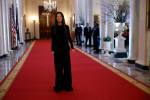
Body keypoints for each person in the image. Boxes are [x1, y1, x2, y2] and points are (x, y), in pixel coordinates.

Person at [51, 12, 75, 93]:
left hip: (65, 50)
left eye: (60, 16)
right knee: (58, 69)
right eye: (57, 16)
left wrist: (72, 47)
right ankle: (59, 86)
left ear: (62, 17)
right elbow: (53, 40)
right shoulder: (53, 27)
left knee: (67, 68)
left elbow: (69, 37)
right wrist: (52, 49)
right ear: (56, 18)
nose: (59, 18)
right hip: (57, 51)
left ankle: (67, 85)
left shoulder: (66, 27)